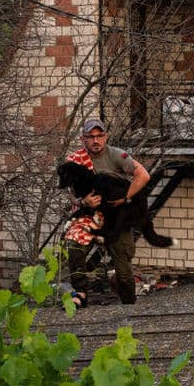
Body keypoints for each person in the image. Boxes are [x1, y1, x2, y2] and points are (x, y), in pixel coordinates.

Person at [62, 119, 149, 305]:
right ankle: (81, 293)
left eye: (99, 136)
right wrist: (83, 201)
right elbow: (67, 192)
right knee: (74, 247)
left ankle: (129, 303)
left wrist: (125, 198)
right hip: (87, 215)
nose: (96, 140)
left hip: (115, 216)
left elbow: (143, 175)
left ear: (106, 136)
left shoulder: (117, 155)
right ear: (83, 139)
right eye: (91, 136)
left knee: (124, 270)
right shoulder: (75, 160)